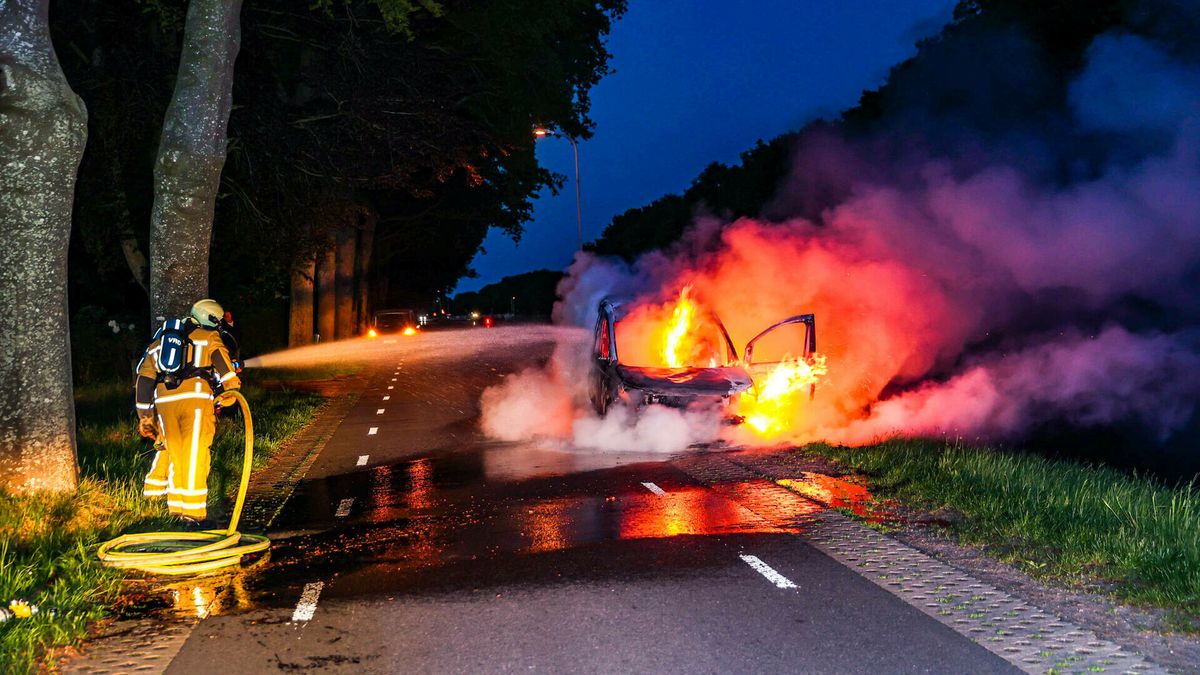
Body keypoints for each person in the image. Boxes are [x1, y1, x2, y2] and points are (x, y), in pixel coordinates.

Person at [134, 299, 242, 522]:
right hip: (196, 401)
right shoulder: (209, 337)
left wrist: (145, 417)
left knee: (175, 454)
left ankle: (175, 511)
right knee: (195, 453)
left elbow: (144, 379)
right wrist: (231, 392)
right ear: (211, 319)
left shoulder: (159, 344)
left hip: (163, 403)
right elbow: (226, 372)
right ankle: (193, 513)